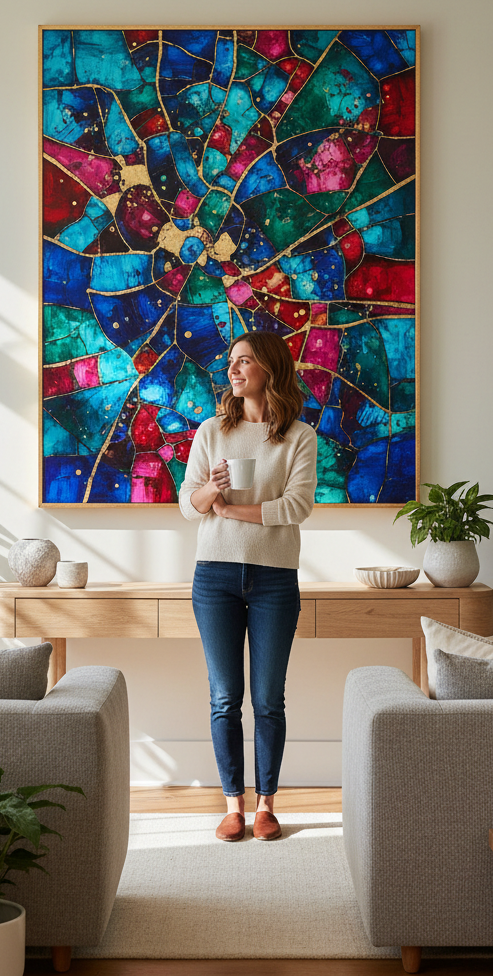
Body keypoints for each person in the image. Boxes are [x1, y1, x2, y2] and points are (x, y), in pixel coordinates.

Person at [179, 330, 318, 842]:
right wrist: (208, 492)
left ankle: (266, 806)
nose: (233, 370)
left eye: (244, 362)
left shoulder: (299, 436)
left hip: (275, 579)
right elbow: (185, 503)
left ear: (269, 369)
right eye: (232, 362)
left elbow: (297, 506)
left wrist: (229, 508)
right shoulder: (211, 431)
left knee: (267, 699)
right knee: (224, 697)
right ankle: (232, 805)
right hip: (213, 575)